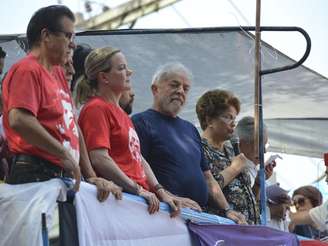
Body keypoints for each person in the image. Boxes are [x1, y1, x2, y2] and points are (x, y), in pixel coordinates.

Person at [2, 5, 122, 202]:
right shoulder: (27, 69)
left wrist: (91, 175)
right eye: (68, 36)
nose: (72, 44)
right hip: (34, 174)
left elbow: (72, 125)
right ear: (46, 35)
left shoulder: (57, 73)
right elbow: (19, 119)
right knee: (46, 233)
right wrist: (63, 153)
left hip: (61, 173)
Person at [132, 63, 246, 224]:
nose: (180, 91)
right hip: (164, 217)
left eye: (185, 88)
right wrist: (169, 197)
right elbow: (136, 170)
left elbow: (208, 179)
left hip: (197, 220)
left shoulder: (190, 129)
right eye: (174, 85)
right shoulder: (140, 122)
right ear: (155, 89)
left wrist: (227, 210)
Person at [78, 47, 182, 217]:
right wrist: (137, 189)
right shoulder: (96, 108)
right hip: (121, 201)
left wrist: (160, 190)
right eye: (121, 68)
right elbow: (99, 157)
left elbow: (138, 158)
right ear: (103, 77)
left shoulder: (122, 114)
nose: (130, 72)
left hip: (137, 198)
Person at [196, 89, 258, 224]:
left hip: (246, 229)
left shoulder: (231, 150)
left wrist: (257, 184)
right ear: (209, 120)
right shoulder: (199, 148)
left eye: (234, 118)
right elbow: (205, 189)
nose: (233, 123)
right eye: (228, 117)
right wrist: (234, 169)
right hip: (221, 229)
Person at [289, 154, 328, 234]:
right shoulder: (297, 227)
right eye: (294, 203)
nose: (297, 206)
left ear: (315, 202)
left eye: (301, 201)